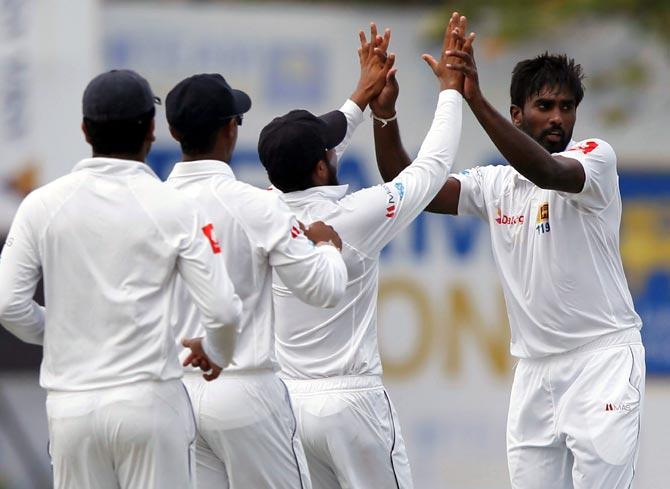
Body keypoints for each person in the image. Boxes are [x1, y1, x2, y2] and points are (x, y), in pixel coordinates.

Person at [375, 24, 645, 489]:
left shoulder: (595, 160)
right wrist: (384, 116)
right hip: (535, 373)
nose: (558, 118)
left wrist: (473, 99)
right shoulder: (495, 185)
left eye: (566, 107)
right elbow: (409, 185)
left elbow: (545, 170)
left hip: (602, 363)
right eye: (544, 107)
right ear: (518, 116)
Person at [0, 69, 242, 489]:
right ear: (151, 128)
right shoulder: (175, 206)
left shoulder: (42, 204)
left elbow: (7, 304)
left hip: (72, 408)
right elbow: (221, 309)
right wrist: (217, 352)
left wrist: (57, 332)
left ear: (84, 129)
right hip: (148, 403)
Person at [255, 17, 466, 488]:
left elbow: (319, 152)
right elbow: (431, 168)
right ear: (318, 166)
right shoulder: (355, 217)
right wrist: (451, 91)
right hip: (352, 405)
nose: (335, 152)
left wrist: (364, 97)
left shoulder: (263, 207)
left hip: (287, 405)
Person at [163, 72, 350, 489]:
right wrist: (327, 247)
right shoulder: (254, 205)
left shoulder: (152, 205)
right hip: (246, 390)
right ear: (231, 129)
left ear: (174, 131)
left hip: (177, 393)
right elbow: (324, 288)